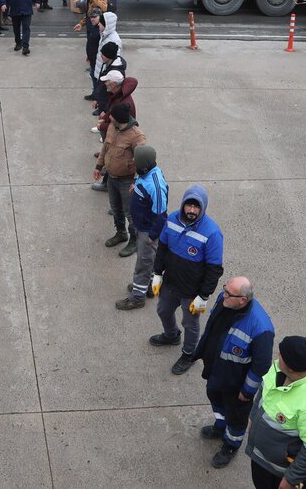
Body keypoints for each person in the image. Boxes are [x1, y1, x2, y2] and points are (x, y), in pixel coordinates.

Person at [195, 276, 274, 469]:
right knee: (216, 401)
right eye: (225, 289)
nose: (223, 295)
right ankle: (220, 426)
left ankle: (231, 445)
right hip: (217, 372)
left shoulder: (260, 328)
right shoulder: (226, 300)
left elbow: (261, 366)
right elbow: (212, 329)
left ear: (243, 300)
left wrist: (247, 391)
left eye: (229, 294)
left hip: (236, 385)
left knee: (236, 418)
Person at [150, 184, 224, 375]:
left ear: (203, 208)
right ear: (183, 204)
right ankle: (171, 335)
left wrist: (203, 296)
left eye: (196, 207)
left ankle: (189, 353)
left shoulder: (212, 233)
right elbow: (162, 249)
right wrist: (157, 274)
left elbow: (214, 269)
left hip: (192, 292)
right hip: (170, 283)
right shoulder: (172, 219)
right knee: (163, 310)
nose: (192, 210)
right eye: (189, 205)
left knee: (190, 324)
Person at [246, 336, 306, 489]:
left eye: (281, 355)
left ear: (291, 368)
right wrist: (253, 419)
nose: (277, 356)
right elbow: (263, 391)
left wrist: (291, 480)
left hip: (281, 473)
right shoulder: (278, 367)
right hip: (261, 460)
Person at [115, 144, 168, 310]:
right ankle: (148, 287)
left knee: (143, 264)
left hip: (148, 232)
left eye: (135, 161)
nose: (132, 162)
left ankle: (137, 297)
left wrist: (152, 236)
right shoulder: (146, 173)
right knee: (148, 262)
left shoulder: (156, 186)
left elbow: (161, 215)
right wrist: (136, 184)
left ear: (144, 166)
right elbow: (142, 179)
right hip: (141, 227)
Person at [94, 103, 146, 256]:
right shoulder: (112, 127)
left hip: (127, 181)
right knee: (115, 208)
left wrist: (137, 182)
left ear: (119, 119)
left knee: (130, 213)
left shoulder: (136, 136)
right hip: (112, 177)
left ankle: (134, 241)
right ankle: (121, 233)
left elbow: (143, 162)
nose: (109, 117)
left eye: (112, 116)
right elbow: (106, 148)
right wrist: (98, 166)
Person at [74, 0, 108, 100]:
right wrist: (81, 23)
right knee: (93, 65)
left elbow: (103, 9)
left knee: (97, 70)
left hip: (97, 31)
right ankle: (95, 93)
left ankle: (99, 95)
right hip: (90, 28)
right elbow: (89, 14)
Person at [92, 12, 122, 115]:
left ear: (107, 25)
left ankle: (102, 112)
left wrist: (105, 73)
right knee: (99, 91)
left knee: (104, 94)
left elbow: (114, 58)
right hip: (100, 70)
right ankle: (99, 106)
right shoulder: (104, 34)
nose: (98, 24)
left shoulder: (114, 40)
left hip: (105, 73)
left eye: (100, 23)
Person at [96, 70, 137, 138]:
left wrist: (102, 126)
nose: (105, 83)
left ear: (113, 84)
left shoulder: (123, 104)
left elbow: (121, 126)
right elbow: (111, 110)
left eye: (106, 81)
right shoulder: (118, 95)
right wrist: (104, 118)